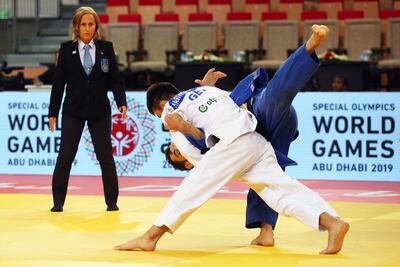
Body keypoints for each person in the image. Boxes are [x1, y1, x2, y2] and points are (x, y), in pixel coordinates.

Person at [115, 26, 349, 255]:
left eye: (158, 115)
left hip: (235, 141)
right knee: (278, 190)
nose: (163, 121)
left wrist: (182, 128)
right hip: (255, 136)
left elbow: (202, 162)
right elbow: (231, 106)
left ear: (162, 106)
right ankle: (332, 223)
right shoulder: (208, 91)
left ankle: (150, 237)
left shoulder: (170, 114)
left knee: (193, 187)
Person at [164, 23, 323, 246]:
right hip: (262, 129)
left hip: (256, 112)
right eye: (176, 153)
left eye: (173, 148)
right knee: (266, 179)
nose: (176, 146)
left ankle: (308, 49)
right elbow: (204, 140)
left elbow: (210, 109)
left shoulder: (184, 120)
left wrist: (207, 88)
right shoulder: (202, 155)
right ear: (188, 164)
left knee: (277, 95)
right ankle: (266, 231)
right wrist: (185, 128)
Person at [48, 6, 127, 212]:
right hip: (73, 110)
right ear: (76, 27)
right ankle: (58, 202)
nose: (87, 28)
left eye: (90, 24)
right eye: (83, 24)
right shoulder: (66, 49)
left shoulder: (106, 48)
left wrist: (121, 101)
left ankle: (112, 202)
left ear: (96, 27)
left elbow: (115, 79)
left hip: (100, 111)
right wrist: (52, 113)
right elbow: (58, 84)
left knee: (105, 157)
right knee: (65, 156)